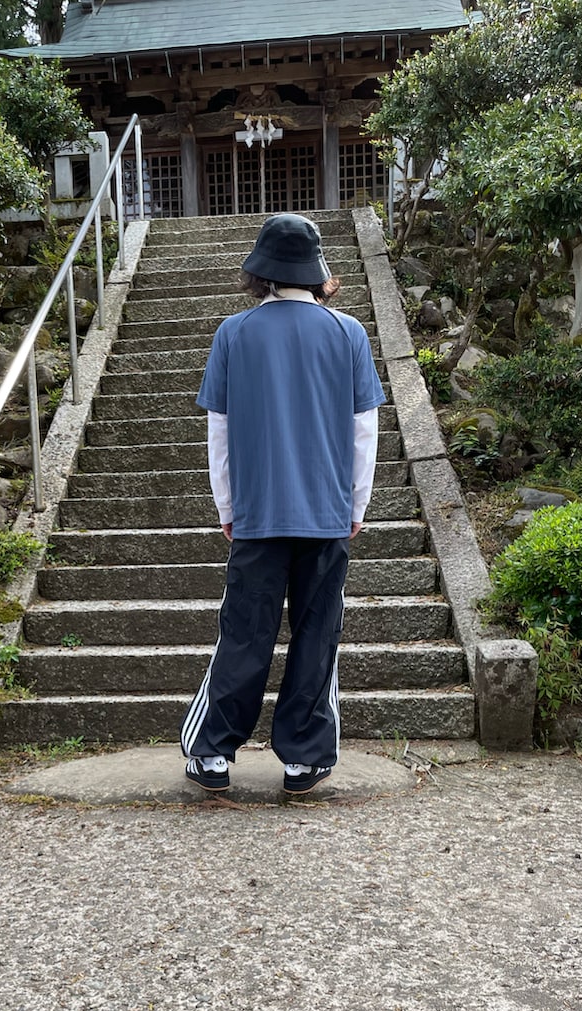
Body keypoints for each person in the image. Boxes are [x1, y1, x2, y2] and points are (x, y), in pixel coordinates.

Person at [180, 212, 386, 794]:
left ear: (262, 273)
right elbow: (363, 430)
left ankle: (213, 752)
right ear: (317, 271)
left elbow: (218, 433)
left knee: (244, 631)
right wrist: (356, 505)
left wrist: (227, 505)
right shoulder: (349, 333)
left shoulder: (233, 333)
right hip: (326, 515)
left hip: (257, 514)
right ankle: (304, 758)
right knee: (318, 633)